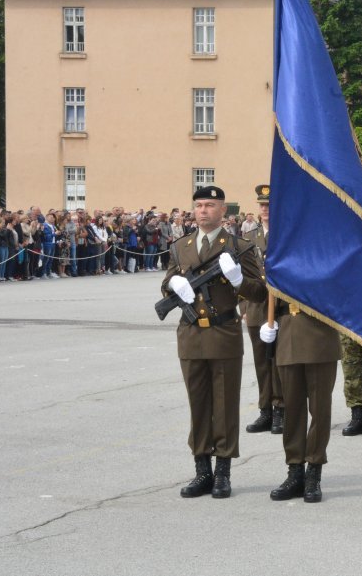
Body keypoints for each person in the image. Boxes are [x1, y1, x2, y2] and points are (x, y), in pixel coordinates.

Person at [161, 186, 267, 499]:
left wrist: (238, 281)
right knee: (198, 404)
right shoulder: (181, 247)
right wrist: (172, 283)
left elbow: (259, 292)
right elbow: (167, 283)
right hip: (192, 334)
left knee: (224, 404)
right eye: (199, 205)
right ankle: (201, 471)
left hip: (223, 333)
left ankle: (222, 471)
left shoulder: (239, 246)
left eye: (210, 205)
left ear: (223, 211)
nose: (203, 210)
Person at [259, 296, 342, 503]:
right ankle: (295, 471)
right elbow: (265, 291)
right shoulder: (275, 260)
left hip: (320, 333)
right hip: (288, 333)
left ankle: (314, 472)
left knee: (319, 409)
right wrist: (266, 320)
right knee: (292, 410)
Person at [242, 185, 285, 435]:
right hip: (256, 308)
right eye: (262, 205)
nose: (265, 209)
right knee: (261, 362)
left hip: (281, 308)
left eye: (269, 205)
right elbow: (241, 278)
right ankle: (265, 410)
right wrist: (243, 307)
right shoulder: (248, 239)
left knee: (279, 361)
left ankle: (281, 408)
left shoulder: (286, 235)